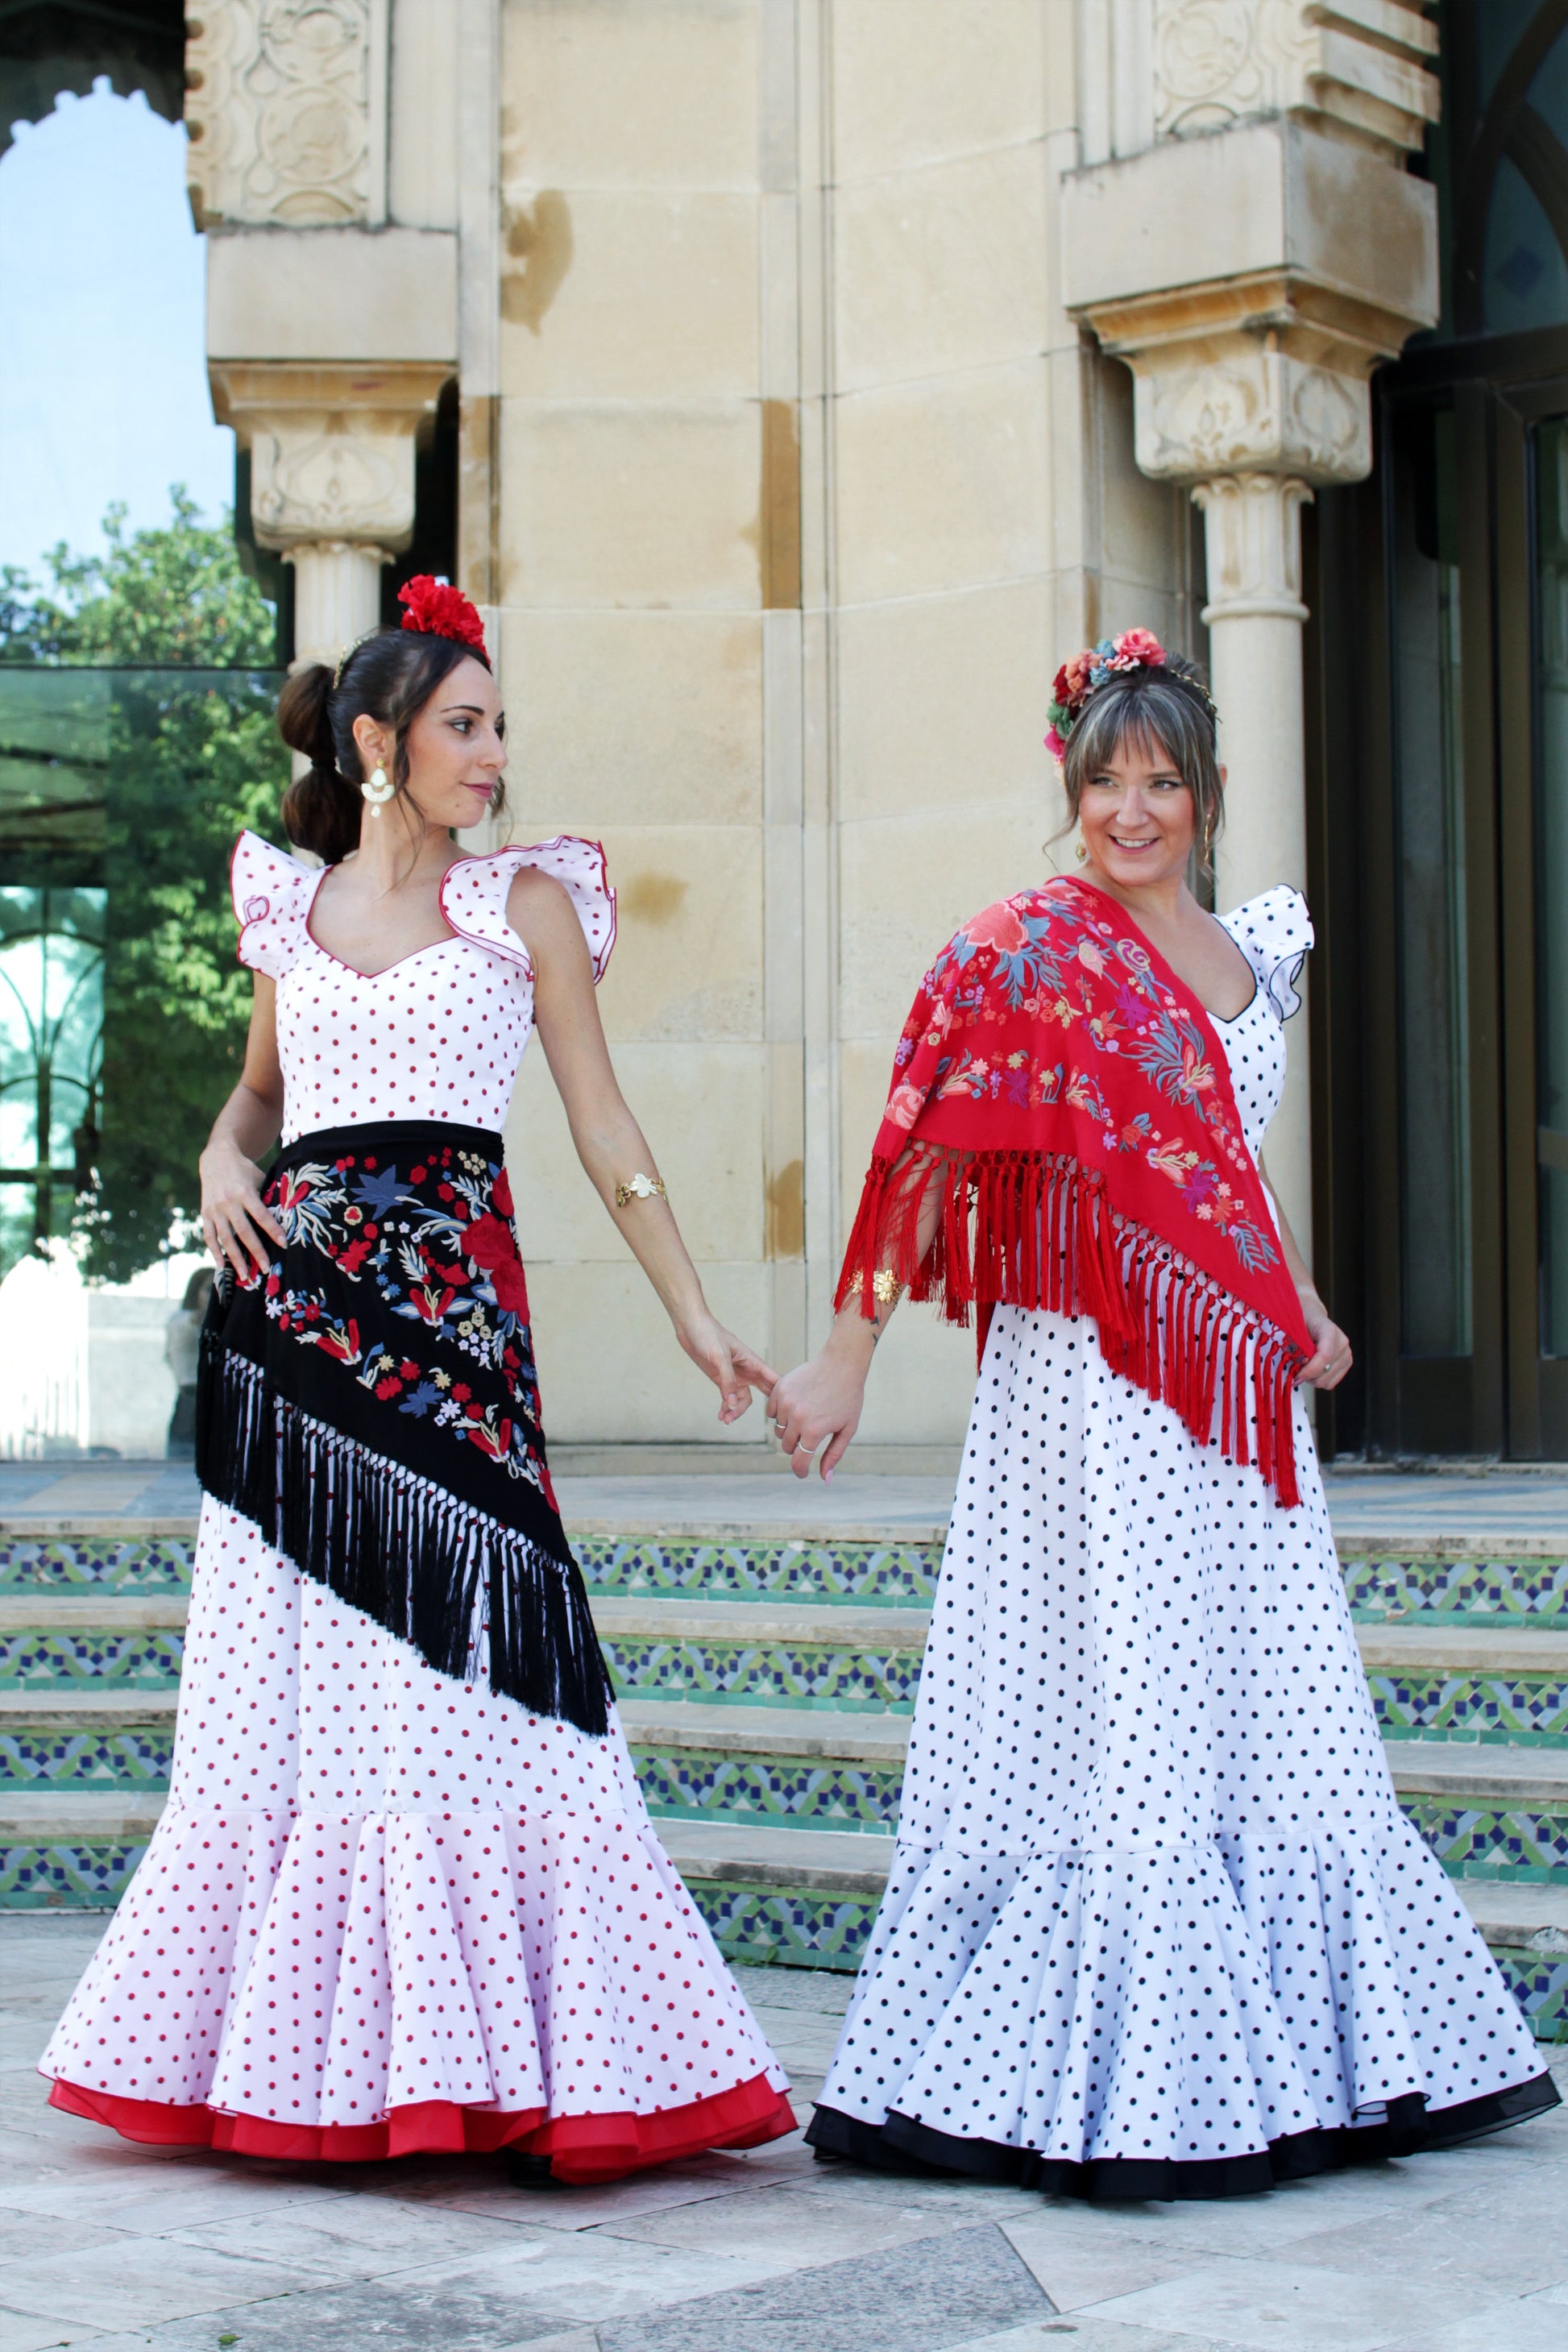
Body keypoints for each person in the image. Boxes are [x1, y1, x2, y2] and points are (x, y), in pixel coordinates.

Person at [769, 631, 1558, 2199]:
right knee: (1107, 1708)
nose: (1131, 810)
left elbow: (1229, 1179)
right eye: (1105, 781)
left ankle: (1287, 2068)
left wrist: (1306, 1301)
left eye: (1163, 782)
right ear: (1069, 787)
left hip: (1225, 1389)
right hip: (1078, 1397)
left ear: (1205, 793)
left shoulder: (1251, 950)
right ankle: (1093, 2083)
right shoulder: (1016, 951)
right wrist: (845, 1352)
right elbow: (919, 1153)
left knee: (1270, 1710)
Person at [42, 577, 795, 2182]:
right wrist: (211, 1168)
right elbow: (251, 1108)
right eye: (466, 723)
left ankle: (523, 2061)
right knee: (298, 1706)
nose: (495, 753)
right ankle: (302, 2069)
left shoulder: (522, 906)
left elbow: (600, 1126)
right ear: (379, 741)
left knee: (478, 1687)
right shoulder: (288, 911)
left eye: (500, 725)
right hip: (291, 1353)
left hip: (455, 1352)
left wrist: (692, 1310)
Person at [163, 1264, 212, 1458]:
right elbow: (185, 1322)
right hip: (191, 1403)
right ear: (196, 1293)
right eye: (209, 1290)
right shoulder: (185, 1320)